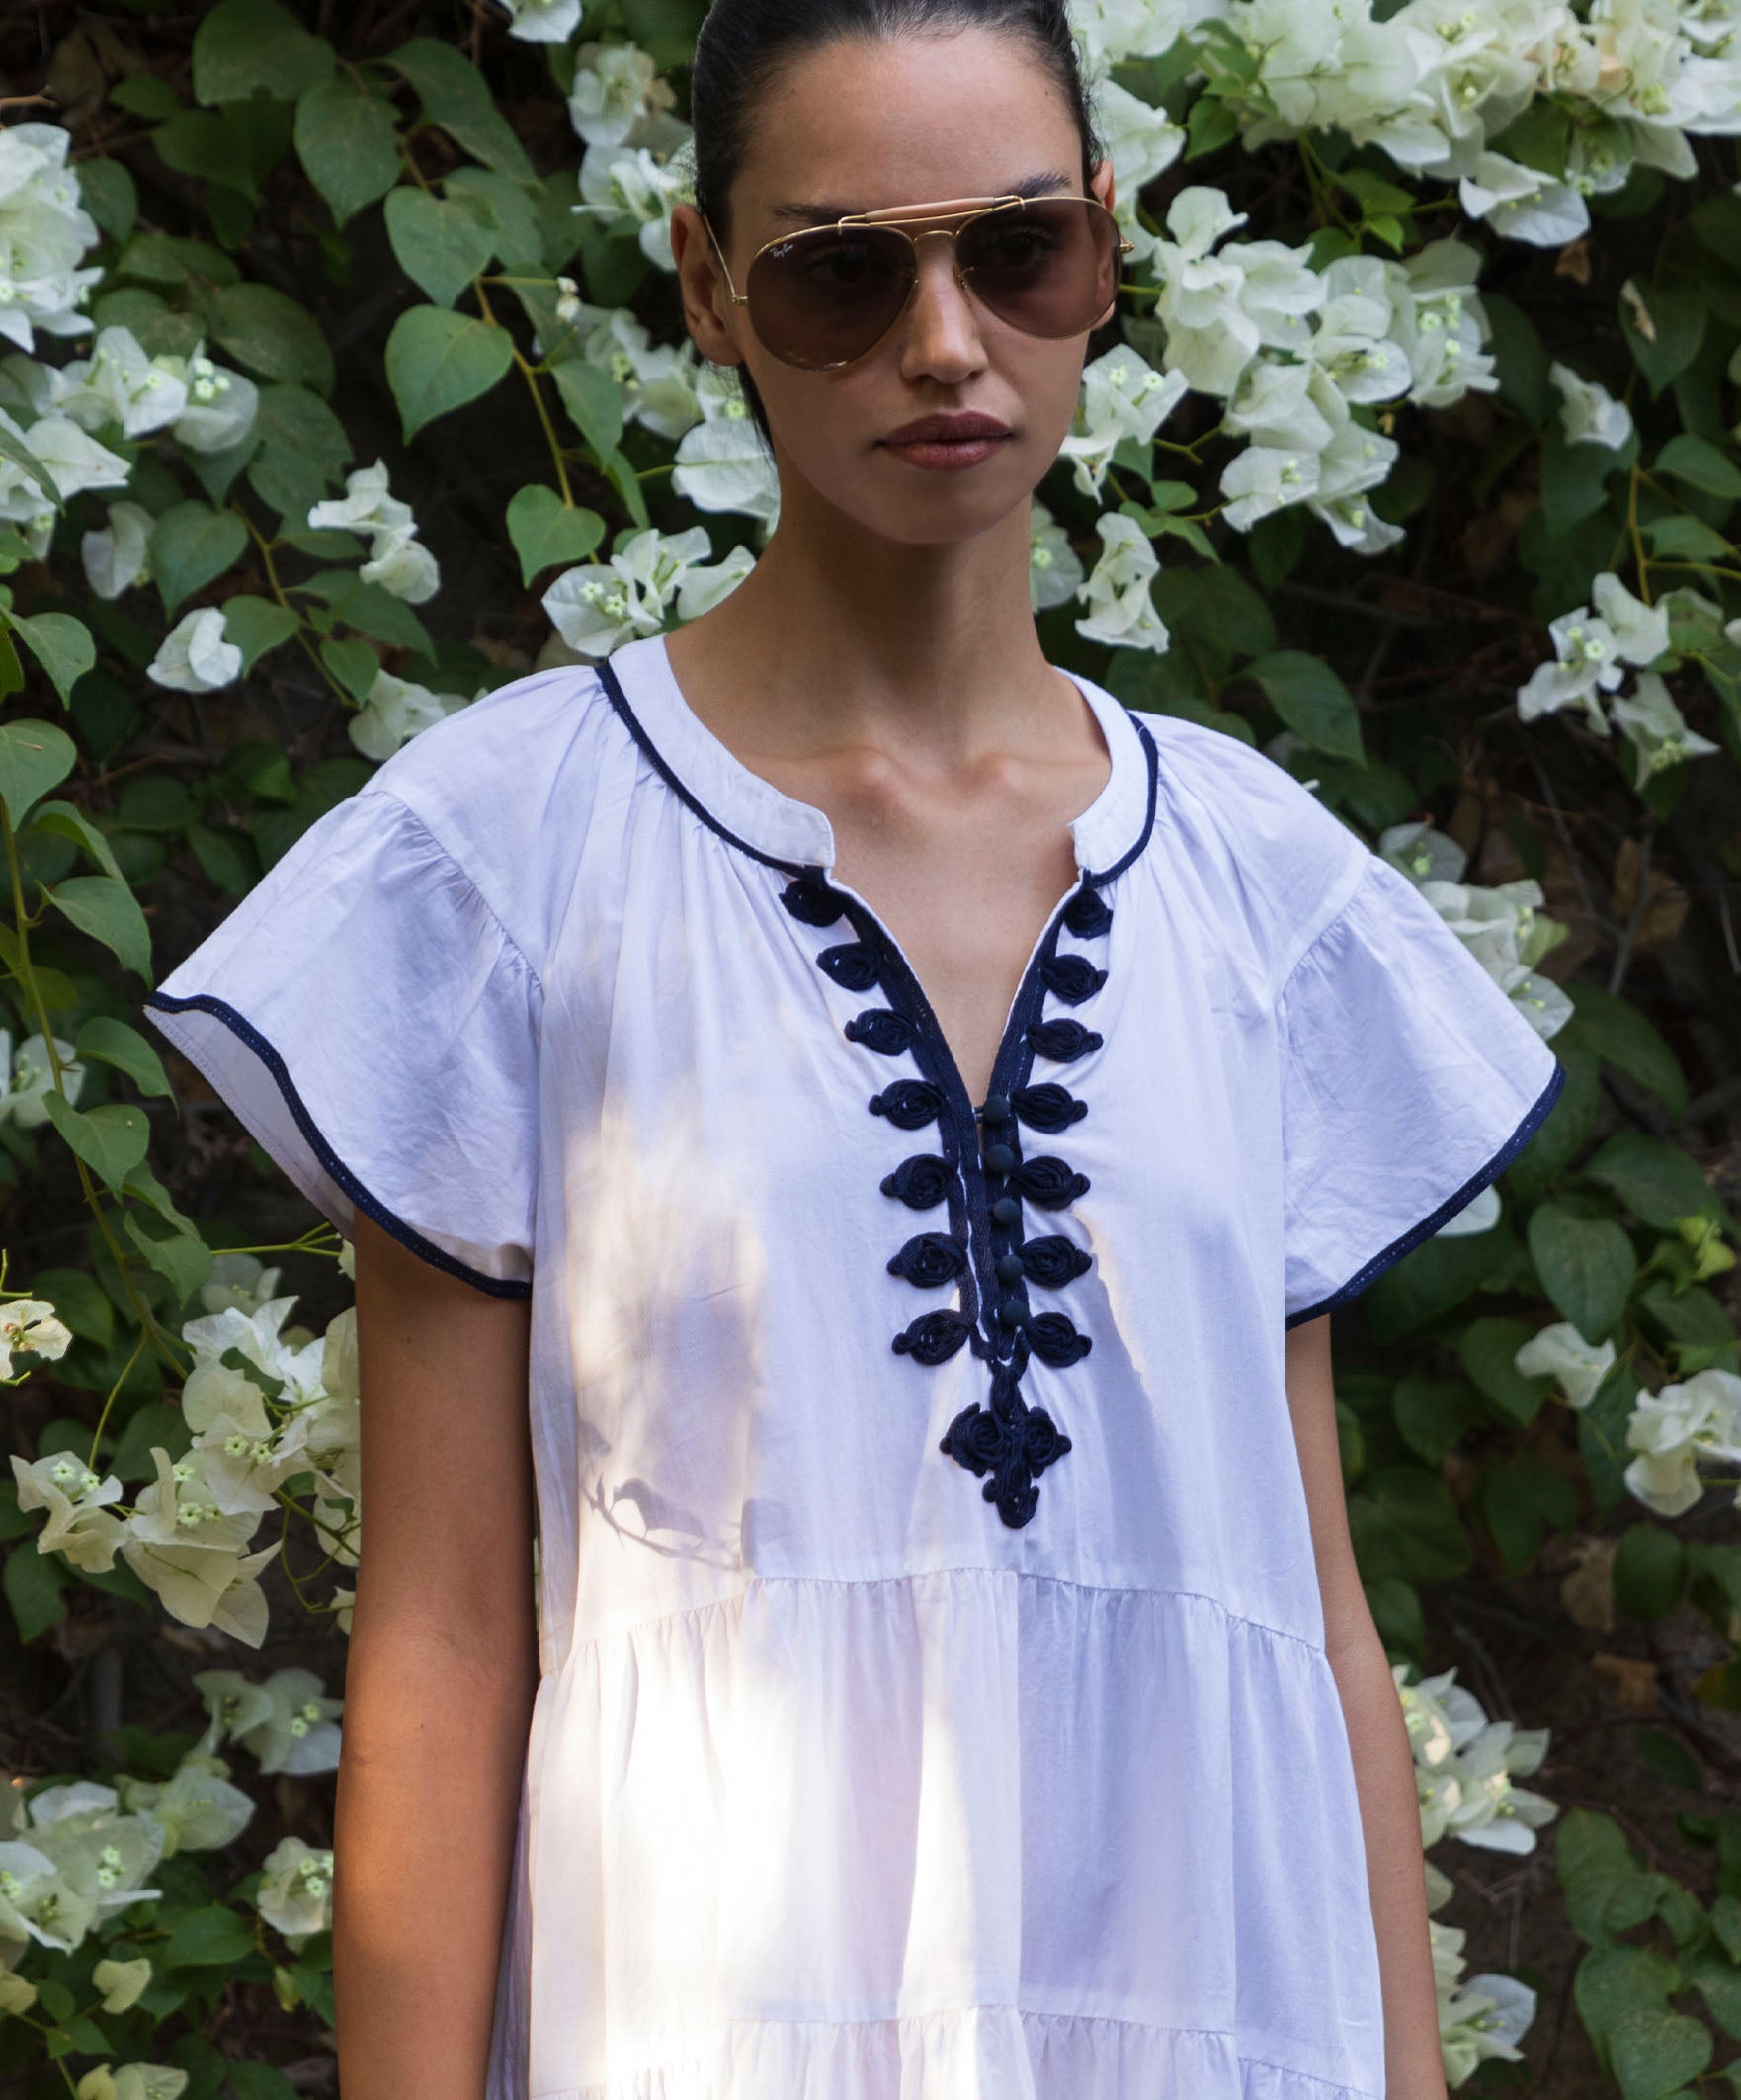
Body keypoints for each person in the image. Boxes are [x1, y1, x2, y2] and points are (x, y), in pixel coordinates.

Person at [141, 2, 1565, 2095]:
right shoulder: (511, 858)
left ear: (1104, 248)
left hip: (1216, 2013)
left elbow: (1308, 1611)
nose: (944, 341)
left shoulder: (1255, 887)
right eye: (839, 273)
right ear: (706, 284)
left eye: (1016, 251)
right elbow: (440, 1635)